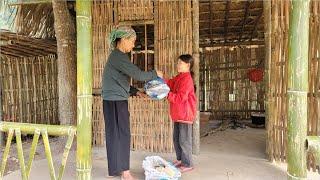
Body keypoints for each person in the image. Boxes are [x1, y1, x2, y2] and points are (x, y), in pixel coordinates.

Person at [102, 25, 163, 180]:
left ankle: (116, 170)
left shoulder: (117, 56)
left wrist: (136, 92)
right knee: (123, 135)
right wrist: (155, 74)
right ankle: (125, 172)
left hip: (112, 100)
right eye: (132, 41)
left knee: (114, 135)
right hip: (116, 101)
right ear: (123, 39)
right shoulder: (119, 56)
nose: (133, 45)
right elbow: (139, 75)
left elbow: (120, 81)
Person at [165, 54, 196, 173]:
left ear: (188, 65)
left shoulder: (187, 79)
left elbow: (181, 97)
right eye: (177, 63)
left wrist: (167, 95)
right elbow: (170, 83)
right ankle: (180, 159)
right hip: (178, 114)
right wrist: (161, 79)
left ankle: (187, 163)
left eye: (180, 63)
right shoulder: (180, 77)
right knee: (176, 139)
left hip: (185, 114)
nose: (177, 65)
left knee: (184, 140)